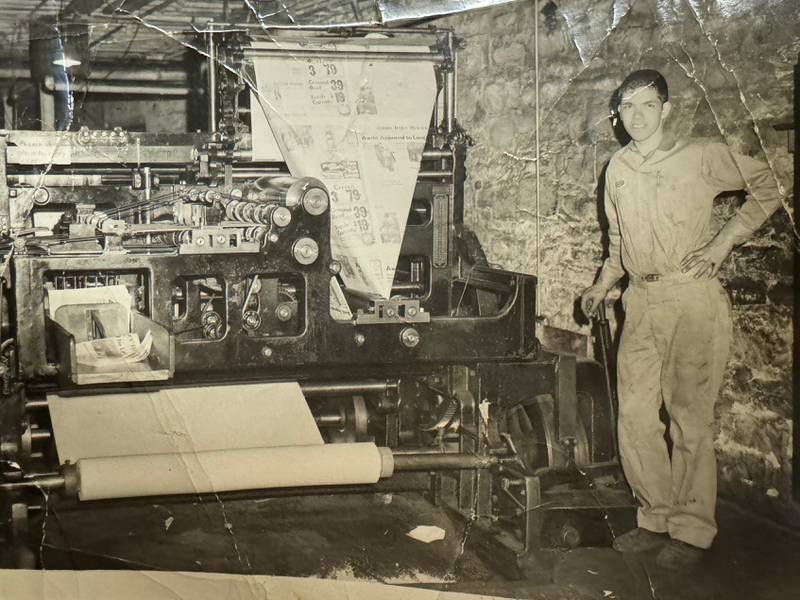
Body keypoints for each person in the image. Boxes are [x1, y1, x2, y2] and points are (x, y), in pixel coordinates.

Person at [580, 69, 782, 569]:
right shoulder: (618, 169)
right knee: (635, 415)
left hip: (691, 298)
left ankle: (692, 531)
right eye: (627, 108)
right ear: (618, 117)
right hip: (640, 302)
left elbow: (771, 183)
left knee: (689, 419)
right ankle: (654, 515)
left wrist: (721, 243)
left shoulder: (700, 156)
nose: (638, 116)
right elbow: (620, 245)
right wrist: (601, 287)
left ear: (666, 109)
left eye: (648, 105)